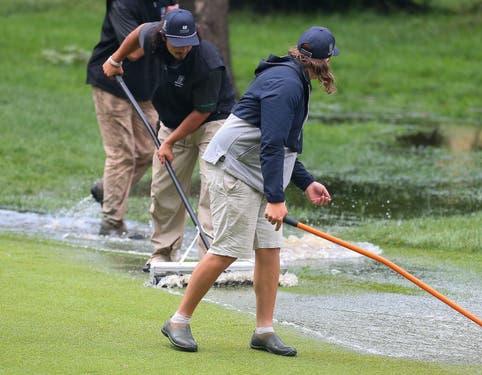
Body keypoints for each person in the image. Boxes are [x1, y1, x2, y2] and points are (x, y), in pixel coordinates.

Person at [159, 26, 339, 356]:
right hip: (233, 170)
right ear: (325, 60)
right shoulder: (285, 85)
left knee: (269, 250)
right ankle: (178, 321)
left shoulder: (293, 77)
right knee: (228, 249)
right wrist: (276, 198)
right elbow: (270, 144)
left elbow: (281, 145)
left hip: (254, 168)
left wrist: (305, 181)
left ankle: (264, 331)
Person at [102, 9, 237, 267]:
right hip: (172, 120)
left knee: (214, 190)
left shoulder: (207, 62)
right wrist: (116, 59)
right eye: (178, 45)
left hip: (214, 121)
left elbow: (202, 111)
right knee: (164, 190)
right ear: (164, 36)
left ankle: (212, 260)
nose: (184, 50)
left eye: (188, 44)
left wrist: (169, 142)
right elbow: (137, 33)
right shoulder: (153, 35)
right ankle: (163, 255)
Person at [87, 0, 179, 237]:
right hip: (112, 81)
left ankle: (107, 189)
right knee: (122, 154)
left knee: (151, 150)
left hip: (146, 87)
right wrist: (168, 24)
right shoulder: (123, 4)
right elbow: (135, 50)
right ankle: (111, 224)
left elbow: (177, 24)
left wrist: (172, 22)